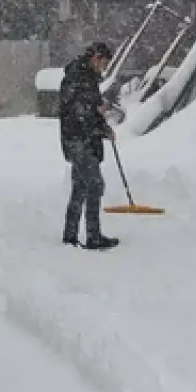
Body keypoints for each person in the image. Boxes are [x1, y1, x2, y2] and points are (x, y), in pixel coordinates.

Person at [59, 42, 119, 250]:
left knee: (80, 187)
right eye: (104, 63)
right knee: (95, 185)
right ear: (95, 58)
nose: (104, 68)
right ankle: (93, 237)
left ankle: (70, 236)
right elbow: (80, 114)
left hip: (82, 139)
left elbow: (91, 110)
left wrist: (104, 128)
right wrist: (98, 117)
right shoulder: (78, 78)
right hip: (78, 141)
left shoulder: (87, 78)